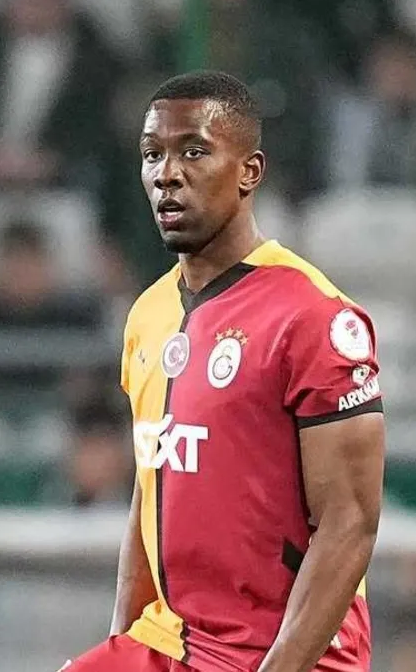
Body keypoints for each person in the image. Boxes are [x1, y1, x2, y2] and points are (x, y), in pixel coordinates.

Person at [63, 71, 385, 672]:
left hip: (287, 655)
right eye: (152, 155)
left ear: (249, 172)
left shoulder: (314, 317)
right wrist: (120, 645)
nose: (167, 174)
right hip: (174, 643)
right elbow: (150, 487)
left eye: (194, 152)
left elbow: (351, 523)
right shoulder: (148, 314)